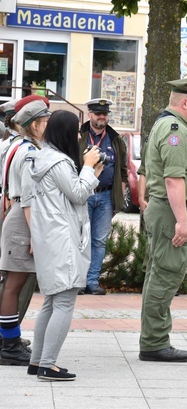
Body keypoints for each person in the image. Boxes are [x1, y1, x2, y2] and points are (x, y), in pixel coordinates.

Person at [28, 110, 104, 380]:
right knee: (64, 301)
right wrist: (88, 169)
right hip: (63, 239)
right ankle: (48, 365)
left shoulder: (42, 157)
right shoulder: (59, 162)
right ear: (65, 133)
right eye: (75, 132)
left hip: (51, 237)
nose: (79, 137)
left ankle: (37, 361)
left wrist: (89, 172)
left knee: (51, 301)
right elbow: (78, 194)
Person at [139, 78, 187, 363]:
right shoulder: (175, 130)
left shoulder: (168, 125)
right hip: (172, 212)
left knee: (160, 273)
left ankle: (154, 338)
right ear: (184, 102)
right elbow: (173, 178)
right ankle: (154, 342)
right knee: (166, 275)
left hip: (167, 210)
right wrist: (182, 220)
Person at [0, 96, 51, 366]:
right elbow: (29, 196)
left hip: (16, 213)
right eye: (44, 122)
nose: (47, 126)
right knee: (14, 285)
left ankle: (9, 339)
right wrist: (35, 234)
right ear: (32, 125)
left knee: (12, 282)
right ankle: (9, 344)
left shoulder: (15, 146)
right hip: (24, 217)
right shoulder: (30, 152)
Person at [77, 98, 128, 296]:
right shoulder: (79, 136)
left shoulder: (115, 140)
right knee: (82, 238)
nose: (102, 117)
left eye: (105, 113)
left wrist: (119, 198)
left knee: (99, 240)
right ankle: (79, 280)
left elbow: (123, 171)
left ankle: (92, 281)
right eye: (98, 113)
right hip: (83, 194)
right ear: (89, 114)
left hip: (105, 195)